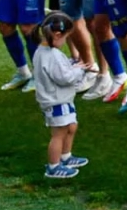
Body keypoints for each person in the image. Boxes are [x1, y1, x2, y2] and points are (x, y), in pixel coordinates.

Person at [31, 11, 90, 179]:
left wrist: (72, 67)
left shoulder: (43, 51)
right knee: (59, 133)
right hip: (56, 101)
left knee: (71, 127)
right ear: (57, 35)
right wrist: (79, 71)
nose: (65, 42)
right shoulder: (52, 55)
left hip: (61, 99)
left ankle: (66, 156)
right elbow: (64, 78)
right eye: (66, 38)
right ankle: (54, 166)